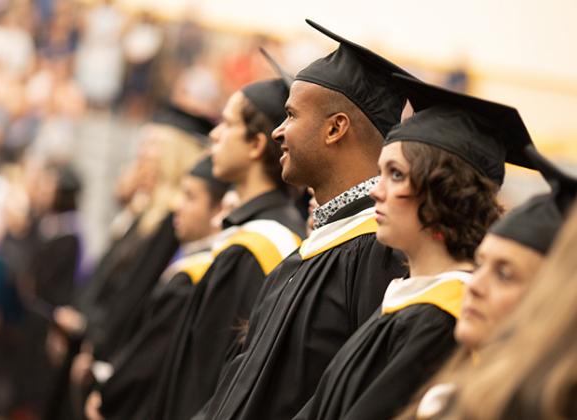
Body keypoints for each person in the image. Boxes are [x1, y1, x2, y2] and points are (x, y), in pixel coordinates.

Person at [290, 72, 537, 420]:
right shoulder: (406, 299)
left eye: (395, 174)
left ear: (441, 192)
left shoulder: (442, 317)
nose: (376, 190)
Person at [196, 20, 409, 420]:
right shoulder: (314, 248)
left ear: (335, 128)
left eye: (291, 116)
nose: (278, 132)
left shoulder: (377, 253)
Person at [146, 75, 306, 420]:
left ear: (255, 145)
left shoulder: (257, 246)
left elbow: (207, 377)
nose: (215, 135)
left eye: (228, 124)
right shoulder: (258, 232)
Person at [398, 145, 577, 420]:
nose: (474, 285)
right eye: (480, 265)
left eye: (504, 274)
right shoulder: (454, 388)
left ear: (553, 300)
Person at [83, 156, 230, 420]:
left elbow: (151, 356)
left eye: (190, 197)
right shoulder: (187, 261)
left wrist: (109, 396)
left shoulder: (201, 274)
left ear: (219, 210)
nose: (177, 206)